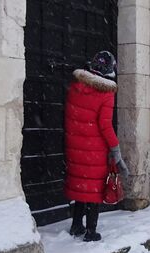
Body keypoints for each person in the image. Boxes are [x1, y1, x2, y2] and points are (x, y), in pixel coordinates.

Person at [64, 51, 129, 242]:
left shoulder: (77, 86)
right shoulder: (106, 92)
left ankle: (76, 225)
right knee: (94, 190)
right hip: (94, 149)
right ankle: (91, 231)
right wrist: (116, 150)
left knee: (81, 186)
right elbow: (105, 125)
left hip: (75, 146)